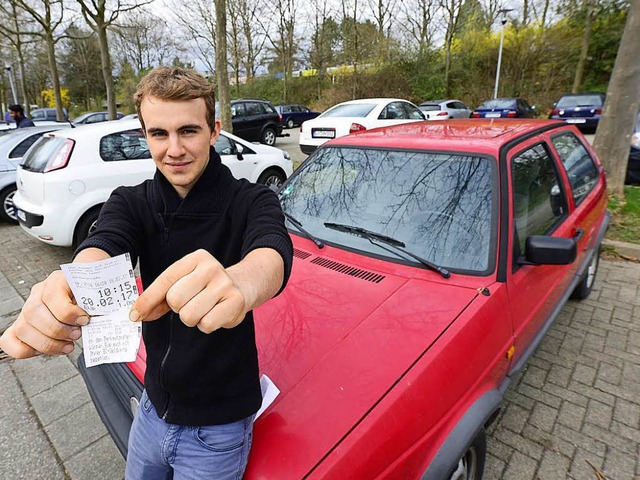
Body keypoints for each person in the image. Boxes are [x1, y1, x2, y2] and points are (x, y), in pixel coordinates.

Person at [0, 67, 293, 479]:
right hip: (152, 411)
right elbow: (104, 243)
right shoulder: (130, 202)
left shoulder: (253, 199)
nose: (174, 149)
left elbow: (272, 253)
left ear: (214, 130)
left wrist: (242, 282)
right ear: (144, 136)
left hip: (219, 429)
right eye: (159, 134)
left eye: (188, 131)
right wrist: (71, 284)